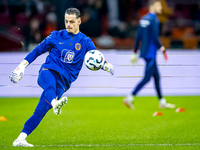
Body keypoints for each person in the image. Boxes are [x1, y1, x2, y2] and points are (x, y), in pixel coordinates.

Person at [9, 8, 114, 147]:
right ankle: (55, 103)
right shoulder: (55, 36)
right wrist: (21, 67)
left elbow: (95, 59)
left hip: (63, 83)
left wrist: (106, 65)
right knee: (49, 86)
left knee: (40, 111)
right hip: (48, 71)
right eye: (66, 21)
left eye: (71, 21)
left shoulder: (85, 42)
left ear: (79, 21)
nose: (68, 24)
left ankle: (20, 139)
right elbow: (36, 51)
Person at [123, 0, 175, 110]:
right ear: (153, 6)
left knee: (156, 77)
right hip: (151, 53)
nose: (161, 7)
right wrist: (161, 47)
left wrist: (135, 51)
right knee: (147, 78)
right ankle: (130, 97)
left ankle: (162, 101)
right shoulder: (154, 19)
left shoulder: (143, 19)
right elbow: (155, 37)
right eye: (159, 5)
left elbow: (138, 36)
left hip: (144, 52)